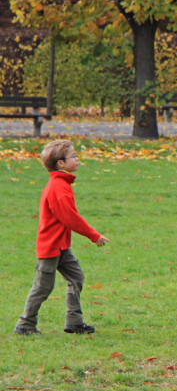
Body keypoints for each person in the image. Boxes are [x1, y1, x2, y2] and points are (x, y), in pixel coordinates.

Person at [14, 140, 109, 336]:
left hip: (61, 247)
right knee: (43, 287)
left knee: (76, 277)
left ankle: (74, 322)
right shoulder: (58, 187)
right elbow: (71, 218)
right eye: (73, 156)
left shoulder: (62, 184)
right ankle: (25, 325)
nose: (77, 159)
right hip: (50, 248)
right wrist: (94, 235)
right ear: (61, 164)